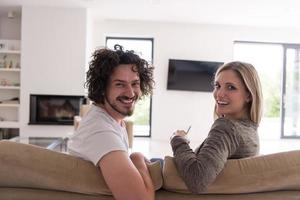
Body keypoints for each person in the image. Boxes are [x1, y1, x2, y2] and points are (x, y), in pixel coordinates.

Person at [68, 45, 155, 200]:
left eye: (135, 83)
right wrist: (137, 158)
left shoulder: (113, 121)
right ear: (102, 89)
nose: (130, 93)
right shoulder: (101, 131)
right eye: (120, 84)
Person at [170, 61, 263, 193]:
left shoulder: (226, 128)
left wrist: (178, 140)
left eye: (230, 87)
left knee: (137, 158)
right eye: (217, 86)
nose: (219, 94)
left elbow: (197, 180)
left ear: (249, 95)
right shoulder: (251, 130)